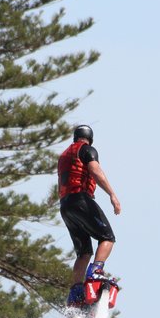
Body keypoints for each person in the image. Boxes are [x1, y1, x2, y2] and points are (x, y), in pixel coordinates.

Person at [57, 124, 122, 307]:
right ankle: (95, 273)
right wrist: (112, 195)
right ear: (90, 138)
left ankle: (76, 291)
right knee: (107, 238)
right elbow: (95, 171)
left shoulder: (64, 156)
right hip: (81, 200)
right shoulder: (87, 150)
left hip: (65, 206)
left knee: (84, 252)